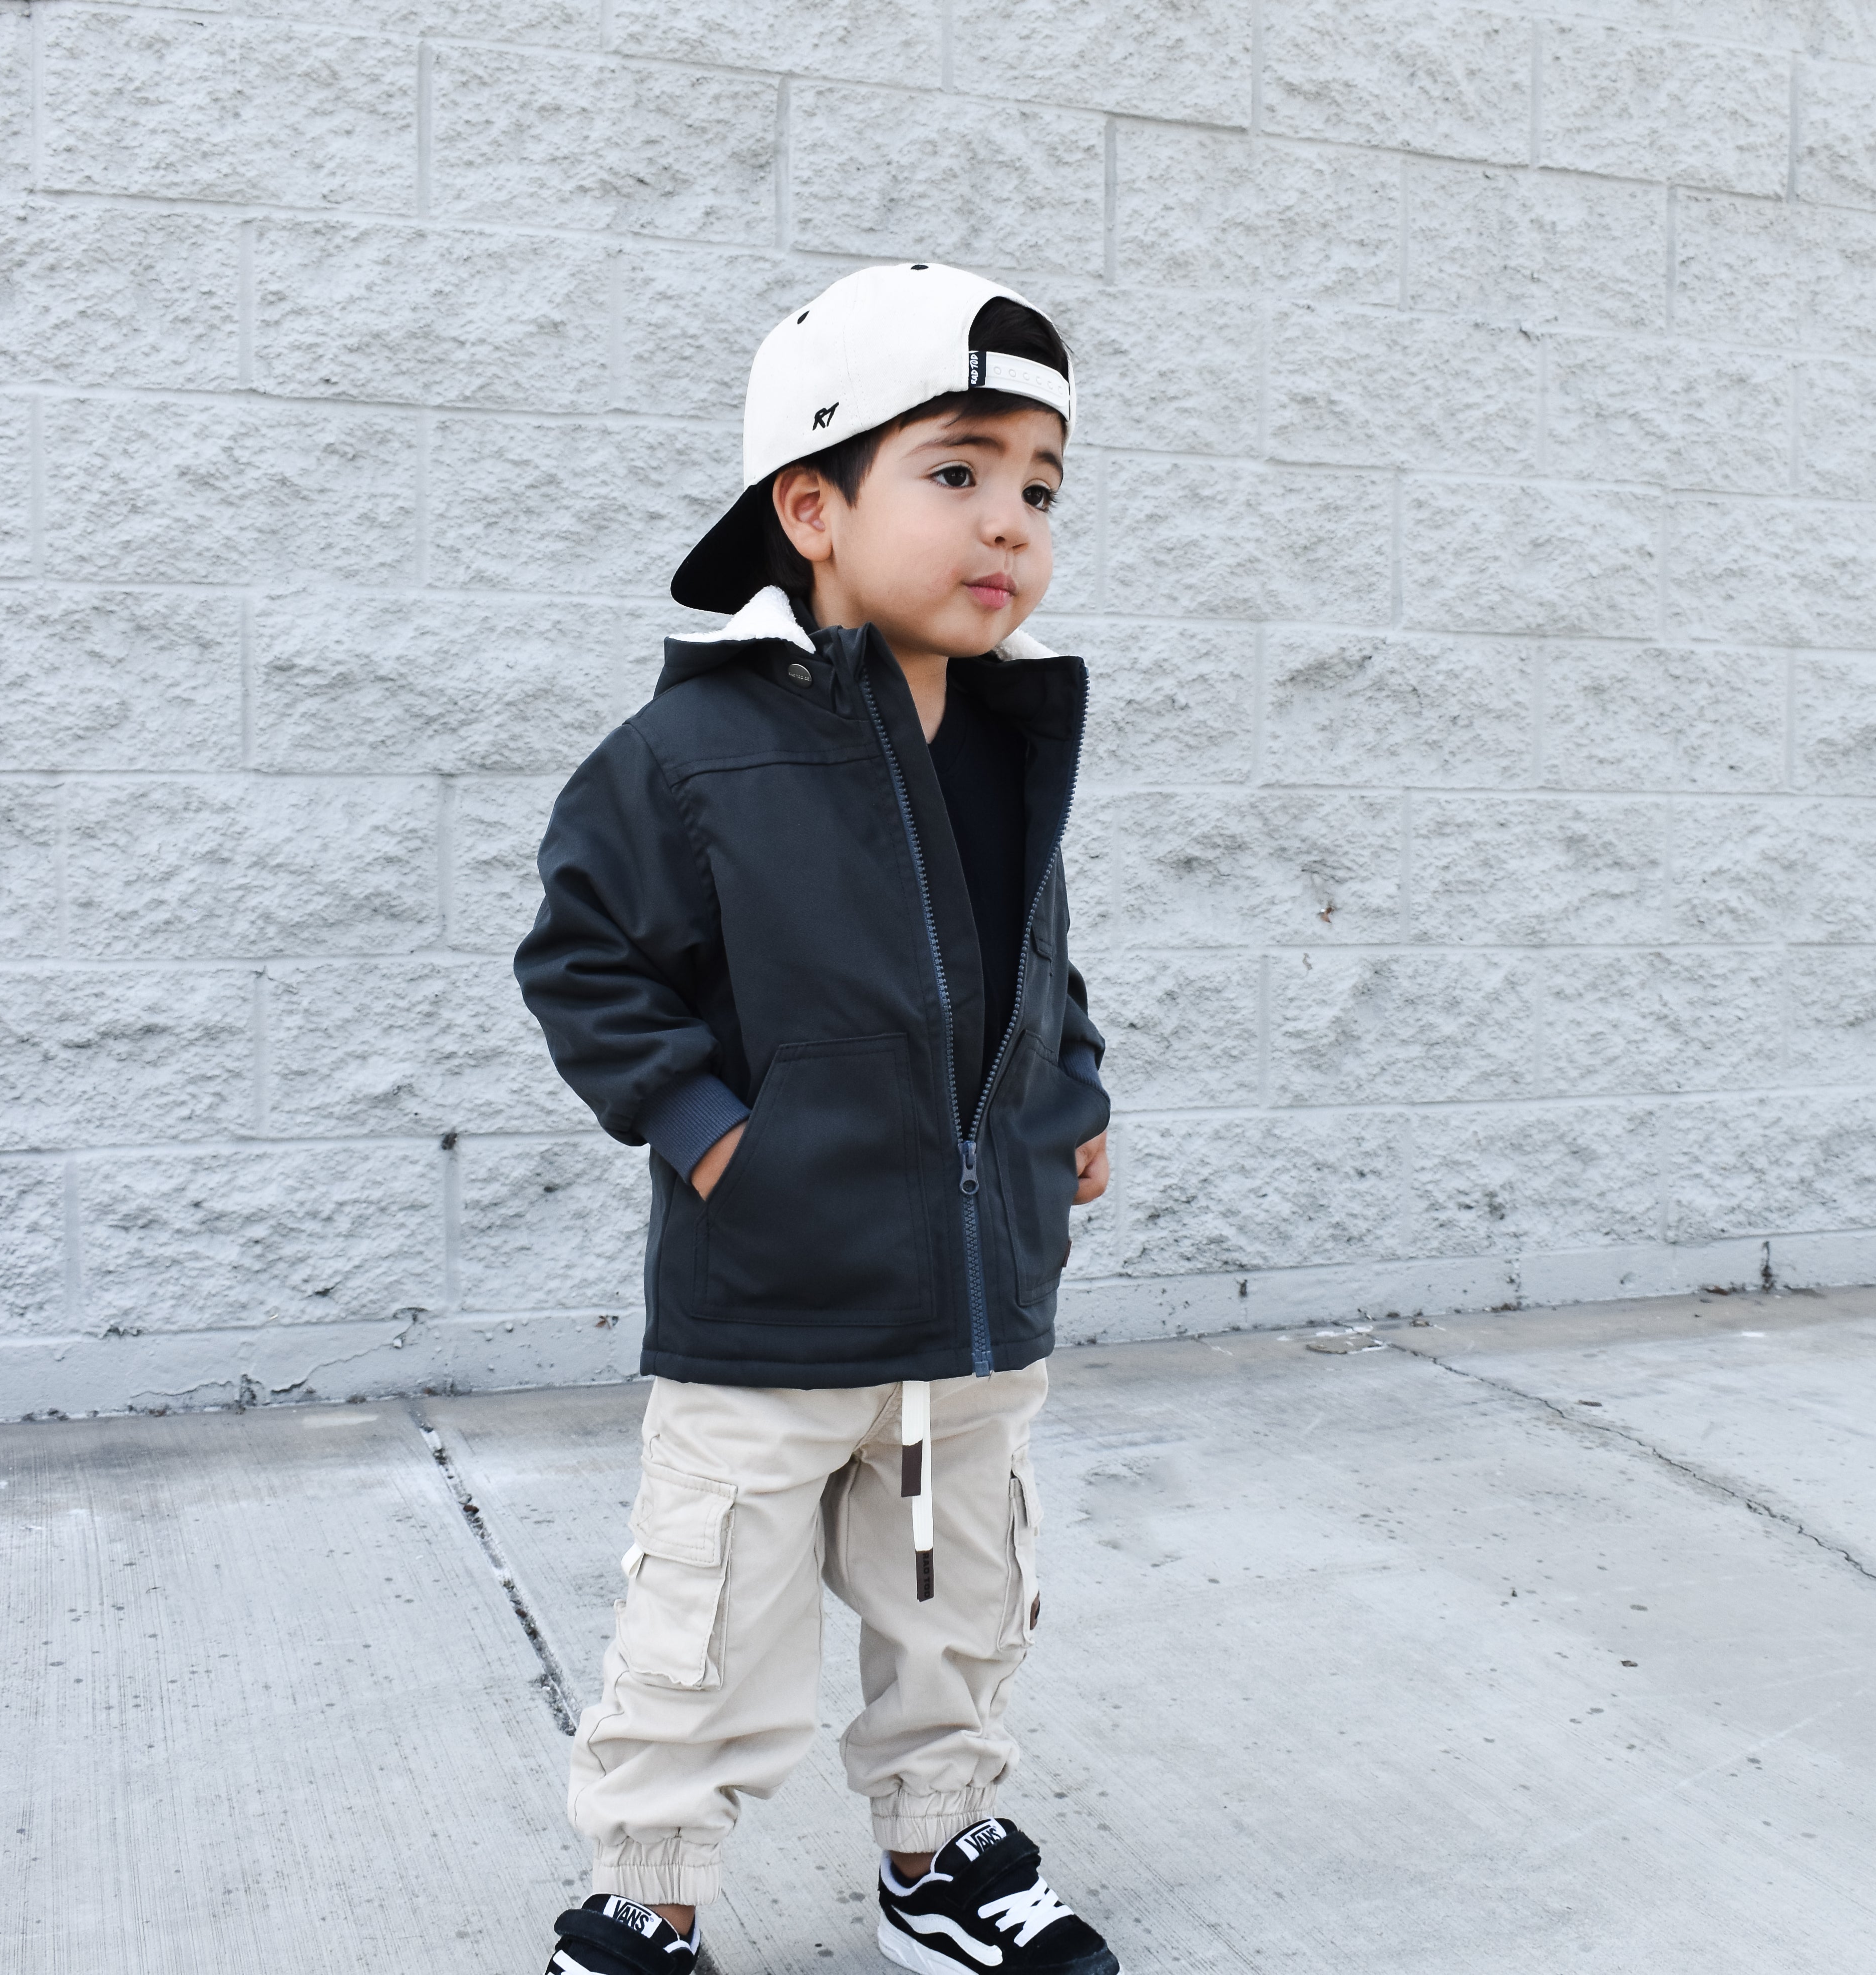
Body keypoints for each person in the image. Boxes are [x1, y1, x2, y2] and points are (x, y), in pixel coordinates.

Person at [515, 262, 1117, 1975]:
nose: (1008, 523)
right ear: (813, 506)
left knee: (957, 1597)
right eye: (957, 472)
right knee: (709, 1615)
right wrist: (715, 1134)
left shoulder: (1012, 737)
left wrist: (1068, 1096)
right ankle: (647, 1895)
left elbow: (1035, 960)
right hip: (772, 1306)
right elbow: (585, 961)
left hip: (970, 1305)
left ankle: (941, 1857)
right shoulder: (692, 752)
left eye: (1040, 488)